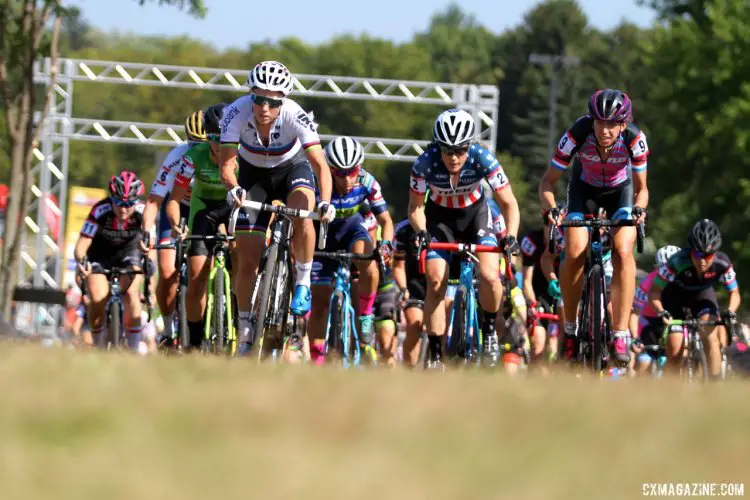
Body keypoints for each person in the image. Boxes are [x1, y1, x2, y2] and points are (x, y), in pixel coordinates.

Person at [218, 61, 335, 348]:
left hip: (291, 169)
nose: (264, 108)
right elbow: (227, 165)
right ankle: (245, 326)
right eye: (258, 98)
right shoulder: (236, 111)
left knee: (304, 214)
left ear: (283, 100)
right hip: (253, 175)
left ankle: (303, 281)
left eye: (272, 101)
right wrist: (234, 189)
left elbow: (320, 166)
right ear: (251, 96)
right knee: (247, 259)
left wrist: (325, 203)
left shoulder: (296, 115)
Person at [539, 89, 649, 364]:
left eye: (612, 124)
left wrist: (639, 210)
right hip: (582, 191)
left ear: (623, 124)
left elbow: (642, 189)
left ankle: (621, 332)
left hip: (619, 193)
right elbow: (547, 183)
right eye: (600, 122)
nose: (605, 130)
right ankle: (571, 329)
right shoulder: (577, 133)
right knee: (575, 250)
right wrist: (551, 208)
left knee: (624, 249)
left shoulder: (635, 139)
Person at [409, 108, 521, 369]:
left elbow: (509, 203)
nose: (454, 157)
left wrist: (512, 236)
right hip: (439, 219)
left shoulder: (483, 159)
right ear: (438, 147)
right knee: (436, 281)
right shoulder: (424, 164)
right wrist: (422, 232)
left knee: (491, 276)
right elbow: (415, 209)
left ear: (470, 146)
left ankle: (490, 330)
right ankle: (436, 356)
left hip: (476, 217)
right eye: (447, 150)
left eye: (460, 150)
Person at [308, 136, 393, 363]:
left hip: (351, 230)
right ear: (329, 169)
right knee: (319, 305)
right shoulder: (317, 182)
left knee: (369, 261)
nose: (347, 179)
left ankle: (365, 315)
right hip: (322, 236)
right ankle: (316, 360)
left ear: (360, 168)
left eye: (352, 171)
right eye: (339, 173)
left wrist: (386, 244)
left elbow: (386, 221)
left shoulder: (367, 181)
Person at [167, 103, 233, 350]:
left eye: (224, 138)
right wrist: (176, 224)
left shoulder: (243, 156)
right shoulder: (193, 157)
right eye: (214, 138)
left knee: (243, 257)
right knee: (196, 280)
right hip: (204, 210)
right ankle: (194, 343)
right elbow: (174, 199)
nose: (219, 144)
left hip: (232, 208)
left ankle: (241, 322)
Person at [141, 109, 204, 344]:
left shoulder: (222, 154)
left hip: (203, 208)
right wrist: (146, 231)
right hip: (175, 207)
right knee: (167, 271)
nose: (199, 150)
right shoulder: (177, 156)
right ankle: (167, 330)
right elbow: (154, 200)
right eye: (193, 144)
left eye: (204, 144)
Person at [648, 219, 741, 378]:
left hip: (702, 296)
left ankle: (714, 385)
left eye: (708, 255)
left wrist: (731, 311)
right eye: (698, 254)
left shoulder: (722, 263)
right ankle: (671, 389)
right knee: (676, 347)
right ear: (690, 251)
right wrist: (661, 311)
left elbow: (734, 293)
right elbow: (654, 293)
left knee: (710, 334)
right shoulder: (676, 262)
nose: (703, 260)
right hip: (675, 299)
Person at [73, 171, 150, 351]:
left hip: (129, 253)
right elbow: (81, 245)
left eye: (129, 204)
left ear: (136, 201)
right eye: (118, 203)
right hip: (100, 254)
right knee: (98, 296)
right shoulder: (100, 210)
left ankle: (133, 347)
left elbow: (149, 247)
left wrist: (149, 266)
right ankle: (98, 343)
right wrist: (82, 262)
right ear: (111, 199)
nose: (123, 209)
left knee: (131, 292)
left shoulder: (142, 212)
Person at [631, 245, 680, 373]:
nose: (669, 275)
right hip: (650, 322)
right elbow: (635, 313)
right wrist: (635, 337)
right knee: (645, 362)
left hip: (675, 319)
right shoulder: (647, 282)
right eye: (664, 270)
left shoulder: (686, 279)